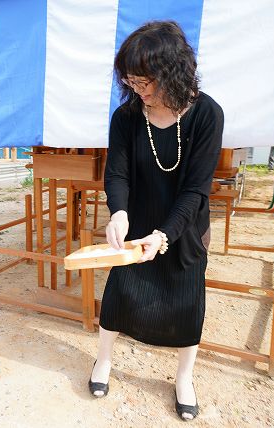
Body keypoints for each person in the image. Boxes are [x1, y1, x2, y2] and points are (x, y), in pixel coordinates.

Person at [89, 21, 224, 421]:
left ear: (173, 74)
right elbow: (117, 173)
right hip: (136, 222)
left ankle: (184, 378)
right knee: (119, 296)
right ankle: (103, 360)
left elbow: (197, 188)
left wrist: (165, 233)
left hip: (183, 226)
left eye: (145, 82)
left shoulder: (207, 114)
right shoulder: (127, 116)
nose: (138, 90)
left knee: (186, 303)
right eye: (131, 81)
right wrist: (118, 211)